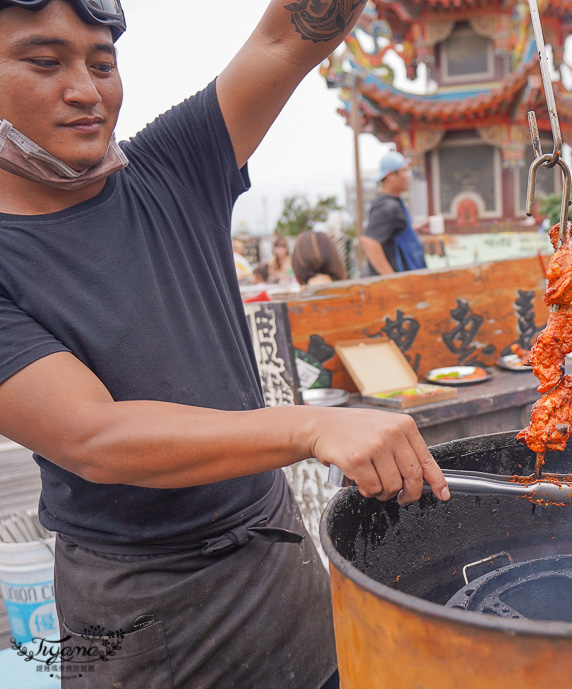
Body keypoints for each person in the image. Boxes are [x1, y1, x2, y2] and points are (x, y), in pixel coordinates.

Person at [0, 2, 449, 688]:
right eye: (44, 62)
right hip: (138, 602)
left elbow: (282, 40)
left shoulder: (172, 167)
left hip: (275, 557)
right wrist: (311, 423)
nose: (86, 89)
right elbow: (94, 434)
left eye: (101, 62)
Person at [360, 151, 428, 275]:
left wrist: (415, 229)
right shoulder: (387, 206)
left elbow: (393, 233)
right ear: (391, 175)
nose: (408, 176)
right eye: (404, 171)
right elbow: (369, 241)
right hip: (397, 282)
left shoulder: (394, 201)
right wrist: (391, 278)